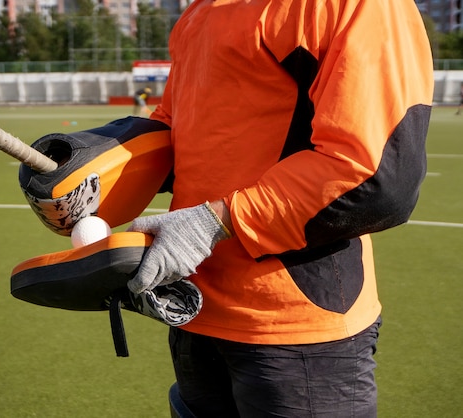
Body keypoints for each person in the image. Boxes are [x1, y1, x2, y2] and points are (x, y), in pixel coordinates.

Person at [125, 1, 434, 417]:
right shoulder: (200, 9)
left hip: (295, 331)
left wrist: (212, 222)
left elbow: (374, 175)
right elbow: (179, 128)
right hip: (193, 308)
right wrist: (100, 160)